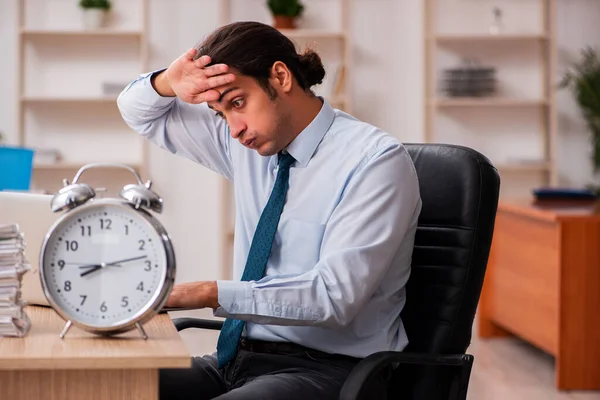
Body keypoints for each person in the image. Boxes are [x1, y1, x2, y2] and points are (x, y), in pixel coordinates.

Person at [117, 20, 422, 400]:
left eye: (237, 103)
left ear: (280, 76)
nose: (233, 128)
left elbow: (334, 296)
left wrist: (211, 293)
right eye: (220, 113)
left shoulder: (374, 162)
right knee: (105, 385)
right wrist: (168, 80)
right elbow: (139, 112)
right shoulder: (249, 146)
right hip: (237, 359)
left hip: (330, 370)